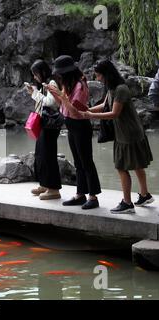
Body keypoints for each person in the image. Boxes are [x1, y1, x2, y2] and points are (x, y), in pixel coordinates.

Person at [80, 60, 154, 214]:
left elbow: (114, 113)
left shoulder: (120, 89)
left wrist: (90, 115)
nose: (98, 79)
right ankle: (145, 194)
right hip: (130, 132)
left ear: (107, 74)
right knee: (137, 165)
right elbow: (105, 106)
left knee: (121, 167)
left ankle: (127, 203)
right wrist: (87, 111)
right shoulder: (113, 89)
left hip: (127, 134)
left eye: (99, 76)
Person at [47, 55, 102, 210]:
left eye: (60, 74)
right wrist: (55, 94)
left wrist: (61, 96)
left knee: (86, 162)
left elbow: (76, 111)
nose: (59, 77)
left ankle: (93, 196)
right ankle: (80, 194)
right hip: (70, 124)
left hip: (80, 125)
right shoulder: (69, 84)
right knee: (78, 163)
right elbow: (62, 107)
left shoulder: (80, 85)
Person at [26, 60, 62, 200]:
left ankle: (53, 189)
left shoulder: (51, 82)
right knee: (40, 154)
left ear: (42, 72)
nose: (35, 77)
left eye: (36, 74)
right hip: (44, 124)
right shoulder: (45, 83)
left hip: (50, 125)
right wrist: (34, 92)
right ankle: (44, 184)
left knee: (48, 156)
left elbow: (50, 102)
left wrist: (34, 93)